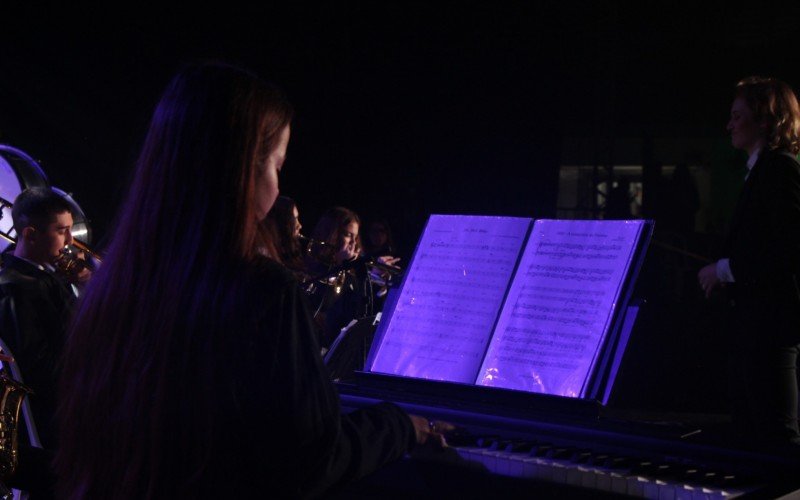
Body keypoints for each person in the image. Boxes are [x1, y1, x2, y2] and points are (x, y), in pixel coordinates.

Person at [54, 63, 446, 499]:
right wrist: (399, 426)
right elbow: (312, 458)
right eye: (277, 166)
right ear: (242, 170)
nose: (278, 188)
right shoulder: (263, 291)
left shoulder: (118, 285)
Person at [697, 76, 800, 450]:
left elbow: (787, 250)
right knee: (755, 434)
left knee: (776, 437)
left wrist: (723, 270)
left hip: (769, 327)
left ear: (766, 120)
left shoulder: (780, 169)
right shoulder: (762, 170)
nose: (729, 124)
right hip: (755, 325)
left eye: (738, 116)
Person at [0, 186, 90, 450]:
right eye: (62, 231)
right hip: (53, 425)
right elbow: (37, 370)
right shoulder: (14, 288)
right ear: (31, 235)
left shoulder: (46, 278)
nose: (71, 241)